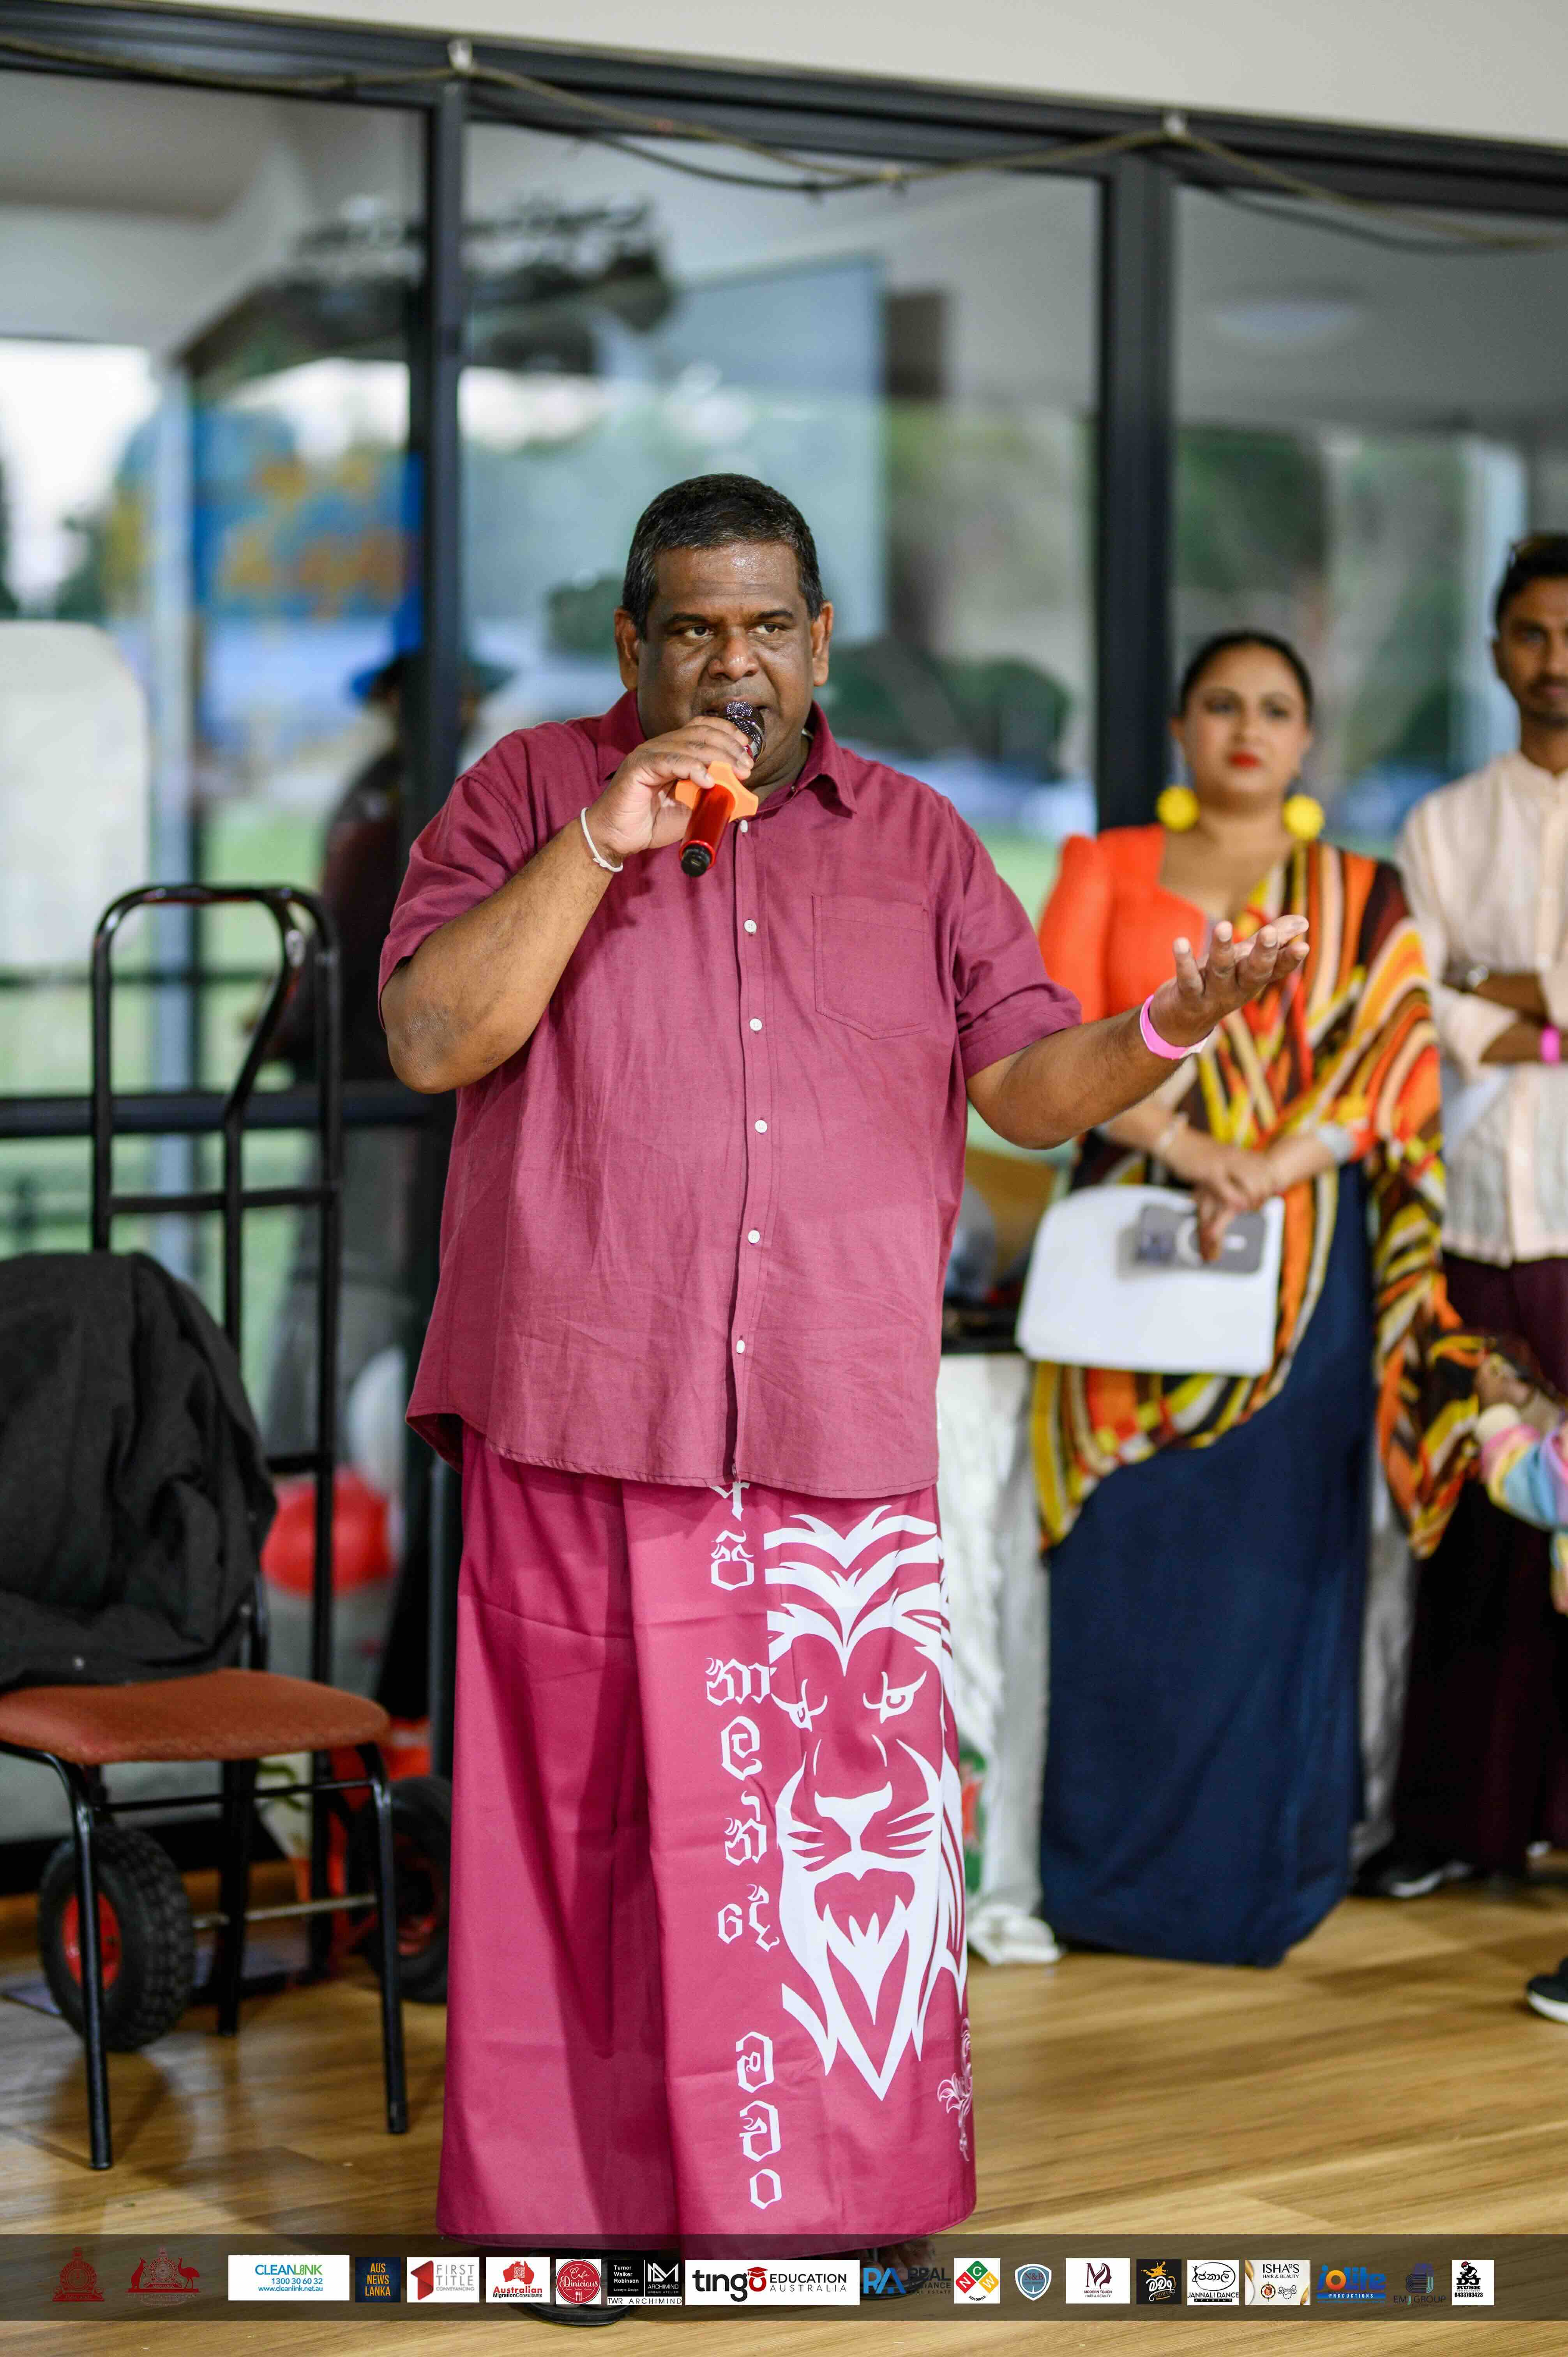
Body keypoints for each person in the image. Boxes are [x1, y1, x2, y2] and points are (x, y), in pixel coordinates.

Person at [376, 476, 1307, 2269]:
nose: (738, 663)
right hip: (586, 1410)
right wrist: (598, 841)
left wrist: (1173, 1024)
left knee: (836, 1856)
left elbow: (1027, 1089)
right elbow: (432, 1036)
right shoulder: (522, 794)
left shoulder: (924, 841)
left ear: (819, 638)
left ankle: (832, 2206)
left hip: (825, 1420)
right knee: (578, 1854)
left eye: (770, 625)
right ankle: (570, 2220)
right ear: (634, 644)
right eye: (696, 629)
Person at [1031, 630, 1490, 1970]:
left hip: (1307, 1275)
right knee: (1129, 1569)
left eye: (1276, 709)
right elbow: (1044, 1046)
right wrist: (1192, 1149)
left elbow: (1401, 1076)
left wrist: (1275, 1161)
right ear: (1181, 727)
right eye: (1221, 703)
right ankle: (1107, 1882)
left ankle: (1255, 1881)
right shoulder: (1101, 866)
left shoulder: (1364, 892)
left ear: (1306, 741)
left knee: (1272, 1579)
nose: (1247, 726)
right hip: (1134, 1256)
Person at [1376, 535, 1568, 1896]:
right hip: (1466, 1229)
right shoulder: (1441, 824)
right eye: (1534, 635)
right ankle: (1454, 1829)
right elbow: (1414, 1009)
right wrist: (1537, 1005)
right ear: (1497, 649)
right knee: (1466, 1529)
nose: (1557, 664)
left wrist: (1512, 991)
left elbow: (1483, 997)